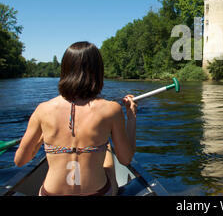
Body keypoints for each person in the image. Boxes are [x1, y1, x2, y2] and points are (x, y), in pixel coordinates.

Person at [14, 41, 137, 196]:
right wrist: (131, 117)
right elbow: (126, 160)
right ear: (98, 71)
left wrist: (41, 140)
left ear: (64, 70)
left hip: (49, 194)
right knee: (106, 149)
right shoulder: (111, 109)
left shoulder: (42, 110)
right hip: (98, 193)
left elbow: (20, 161)